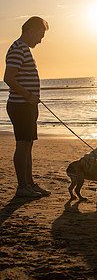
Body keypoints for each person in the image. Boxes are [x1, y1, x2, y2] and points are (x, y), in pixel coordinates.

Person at [4, 16, 51, 197]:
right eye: (40, 35)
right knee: (23, 144)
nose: (40, 40)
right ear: (31, 30)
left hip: (27, 105)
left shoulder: (23, 49)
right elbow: (8, 78)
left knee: (28, 144)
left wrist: (31, 98)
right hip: (21, 105)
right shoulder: (17, 49)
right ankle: (22, 186)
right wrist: (28, 96)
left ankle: (29, 184)